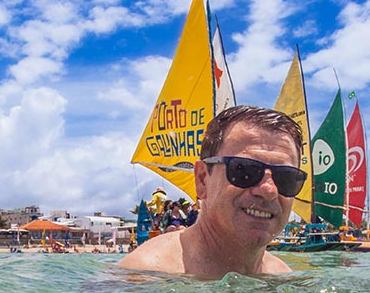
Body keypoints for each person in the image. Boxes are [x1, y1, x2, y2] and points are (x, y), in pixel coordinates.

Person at [117, 105, 306, 277]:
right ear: (202, 180)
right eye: (244, 170)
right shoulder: (145, 276)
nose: (268, 190)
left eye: (286, 177)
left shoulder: (281, 274)